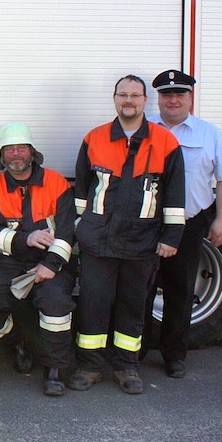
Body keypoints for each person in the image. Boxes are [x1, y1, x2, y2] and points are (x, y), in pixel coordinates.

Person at [70, 75, 186, 394]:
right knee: (93, 305)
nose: (129, 101)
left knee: (132, 307)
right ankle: (89, 366)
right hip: (98, 241)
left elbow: (175, 195)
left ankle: (126, 367)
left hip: (142, 242)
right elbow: (82, 190)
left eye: (136, 95)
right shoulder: (94, 139)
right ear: (114, 98)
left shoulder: (165, 142)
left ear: (145, 101)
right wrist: (80, 229)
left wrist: (171, 238)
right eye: (123, 95)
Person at [0, 123, 76, 396]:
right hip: (8, 260)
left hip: (51, 261)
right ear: (1, 155)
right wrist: (25, 239)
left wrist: (50, 265)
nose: (15, 154)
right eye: (9, 149)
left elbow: (67, 233)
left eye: (21, 148)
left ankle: (54, 369)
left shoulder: (57, 184)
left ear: (32, 151)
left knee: (55, 303)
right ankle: (17, 343)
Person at [147, 70, 222, 378]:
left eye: (179, 94)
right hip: (148, 224)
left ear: (190, 98)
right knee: (139, 289)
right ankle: (137, 352)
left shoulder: (209, 133)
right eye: (167, 94)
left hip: (188, 223)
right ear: (157, 98)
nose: (173, 100)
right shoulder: (144, 131)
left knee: (181, 291)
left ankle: (174, 355)